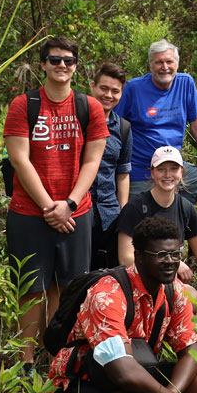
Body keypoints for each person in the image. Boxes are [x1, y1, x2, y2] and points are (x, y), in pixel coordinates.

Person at [3, 36, 109, 369]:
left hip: (76, 212)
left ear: (76, 66)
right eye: (54, 59)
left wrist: (70, 203)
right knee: (31, 289)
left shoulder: (88, 106)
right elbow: (19, 159)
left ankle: (60, 359)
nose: (61, 65)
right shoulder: (24, 105)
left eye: (68, 60)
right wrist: (51, 206)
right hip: (29, 213)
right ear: (43, 64)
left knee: (69, 288)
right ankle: (26, 362)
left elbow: (93, 160)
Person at [48, 216, 197, 393]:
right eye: (161, 255)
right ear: (139, 256)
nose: (170, 261)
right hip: (83, 381)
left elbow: (192, 353)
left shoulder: (174, 289)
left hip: (137, 371)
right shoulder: (107, 294)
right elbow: (122, 371)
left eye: (175, 254)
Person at [115, 40, 197, 251]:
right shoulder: (134, 88)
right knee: (143, 214)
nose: (164, 67)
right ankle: (152, 261)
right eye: (158, 62)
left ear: (177, 64)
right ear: (150, 65)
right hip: (142, 168)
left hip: (175, 164)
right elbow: (116, 126)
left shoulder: (185, 83)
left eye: (169, 61)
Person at [115, 146, 197, 290]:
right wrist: (170, 263)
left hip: (171, 284)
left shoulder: (186, 208)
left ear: (182, 173)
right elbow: (125, 258)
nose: (167, 175)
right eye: (161, 169)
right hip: (139, 283)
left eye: (173, 169)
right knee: (192, 301)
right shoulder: (136, 208)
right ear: (152, 173)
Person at [89, 62, 133, 270]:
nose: (108, 95)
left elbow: (122, 172)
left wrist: (124, 213)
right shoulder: (77, 121)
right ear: (93, 87)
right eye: (103, 88)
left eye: (115, 91)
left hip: (109, 211)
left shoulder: (123, 128)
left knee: (110, 271)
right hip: (78, 211)